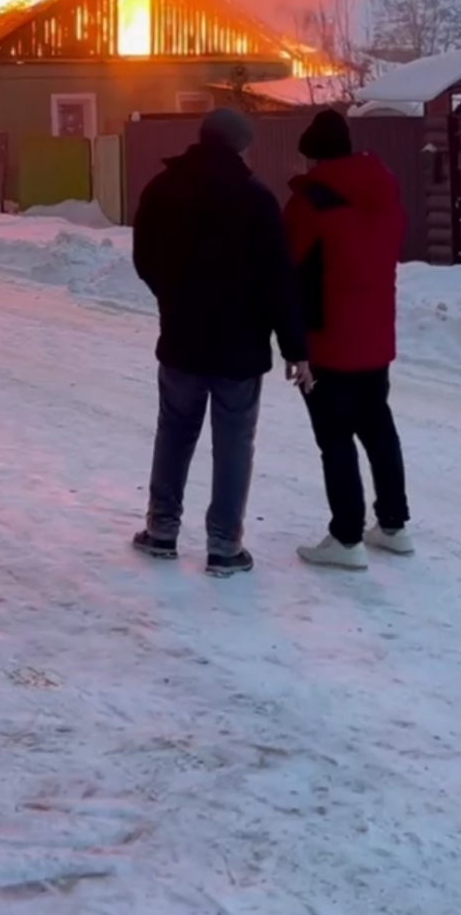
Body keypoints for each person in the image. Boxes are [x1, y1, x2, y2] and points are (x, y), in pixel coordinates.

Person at [132, 108, 311, 577]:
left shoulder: (161, 189)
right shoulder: (256, 198)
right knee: (233, 442)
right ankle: (224, 546)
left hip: (181, 339)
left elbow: (145, 258)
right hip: (241, 347)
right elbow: (277, 281)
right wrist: (295, 348)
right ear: (240, 145)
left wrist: (171, 296)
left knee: (174, 431)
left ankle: (162, 530)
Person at [285, 109, 410, 570]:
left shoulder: (309, 204)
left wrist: (290, 339)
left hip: (327, 342)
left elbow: (290, 272)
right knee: (378, 427)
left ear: (313, 156)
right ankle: (394, 525)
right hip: (376, 336)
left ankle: (346, 537)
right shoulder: (385, 195)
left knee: (334, 437)